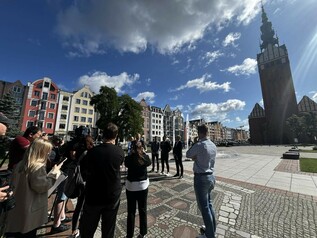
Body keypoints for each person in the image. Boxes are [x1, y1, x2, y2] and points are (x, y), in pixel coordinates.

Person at [5, 138, 64, 238]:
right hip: (30, 209)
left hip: (18, 206)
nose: (49, 154)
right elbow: (41, 186)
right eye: (47, 152)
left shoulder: (21, 163)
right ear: (42, 152)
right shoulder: (38, 166)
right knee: (28, 233)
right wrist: (54, 173)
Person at [79, 123, 124, 238]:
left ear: (103, 135)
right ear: (116, 136)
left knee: (88, 228)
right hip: (112, 195)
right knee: (108, 228)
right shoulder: (119, 152)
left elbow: (84, 171)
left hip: (93, 195)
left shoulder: (93, 151)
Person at [186, 124, 217, 238]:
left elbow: (188, 154)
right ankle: (212, 229)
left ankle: (209, 235)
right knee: (209, 205)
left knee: (204, 208)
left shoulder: (199, 145)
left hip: (201, 178)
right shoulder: (213, 145)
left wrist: (195, 147)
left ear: (199, 133)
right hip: (211, 177)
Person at [125, 140, 151, 238]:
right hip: (142, 186)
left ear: (132, 148)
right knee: (142, 210)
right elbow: (149, 162)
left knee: (131, 211)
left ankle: (129, 235)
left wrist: (132, 153)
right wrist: (143, 152)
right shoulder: (145, 158)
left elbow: (126, 163)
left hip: (131, 186)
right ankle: (143, 233)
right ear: (141, 148)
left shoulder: (128, 158)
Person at [70, 135, 94, 238]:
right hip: (86, 181)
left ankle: (74, 229)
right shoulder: (89, 152)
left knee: (79, 206)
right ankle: (81, 228)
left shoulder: (79, 150)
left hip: (79, 180)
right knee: (85, 206)